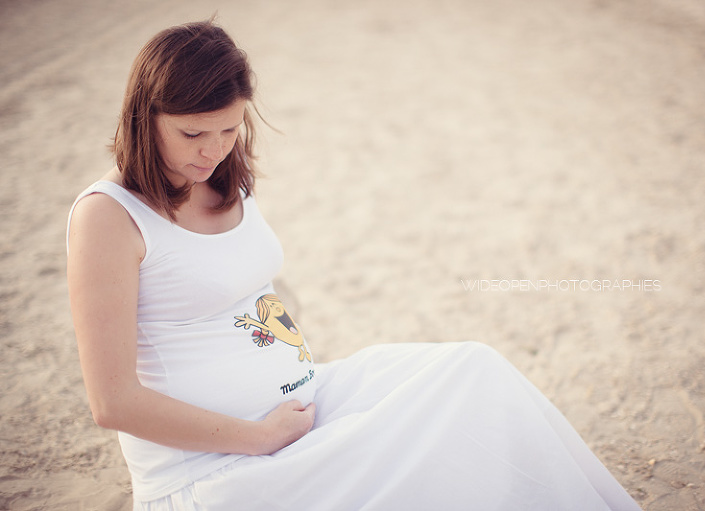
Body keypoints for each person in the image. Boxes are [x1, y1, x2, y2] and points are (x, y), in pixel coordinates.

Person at [66, 19, 641, 511]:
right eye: (193, 132)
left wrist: (282, 379)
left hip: (302, 403)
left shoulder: (222, 174)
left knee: (474, 371)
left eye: (228, 129)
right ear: (145, 117)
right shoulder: (108, 218)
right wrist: (258, 436)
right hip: (217, 468)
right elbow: (112, 402)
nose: (213, 150)